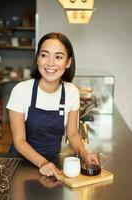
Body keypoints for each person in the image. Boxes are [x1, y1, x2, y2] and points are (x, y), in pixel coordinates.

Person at [6, 32, 96, 180]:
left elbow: (72, 133)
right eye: (44, 55)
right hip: (20, 165)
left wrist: (84, 154)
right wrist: (42, 163)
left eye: (58, 57)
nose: (50, 63)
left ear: (68, 62)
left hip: (52, 165)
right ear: (37, 58)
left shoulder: (71, 92)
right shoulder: (21, 91)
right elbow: (19, 140)